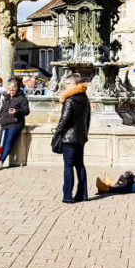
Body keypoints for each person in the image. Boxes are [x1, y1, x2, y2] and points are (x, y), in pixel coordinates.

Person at [53, 73, 90, 203]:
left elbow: (64, 121)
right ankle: (83, 194)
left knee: (68, 165)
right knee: (80, 165)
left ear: (74, 84)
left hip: (69, 138)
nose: (65, 85)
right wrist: (85, 133)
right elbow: (88, 120)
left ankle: (67, 195)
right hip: (80, 137)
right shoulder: (85, 98)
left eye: (67, 83)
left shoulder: (69, 100)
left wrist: (57, 133)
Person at [0, 76, 29, 170]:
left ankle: (1, 161)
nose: (11, 92)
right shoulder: (6, 97)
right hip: (5, 122)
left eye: (13, 90)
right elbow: (2, 109)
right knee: (1, 143)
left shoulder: (22, 98)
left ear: (17, 89)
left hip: (15, 123)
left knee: (8, 142)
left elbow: (26, 111)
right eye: (9, 90)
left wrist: (16, 111)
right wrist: (0, 119)